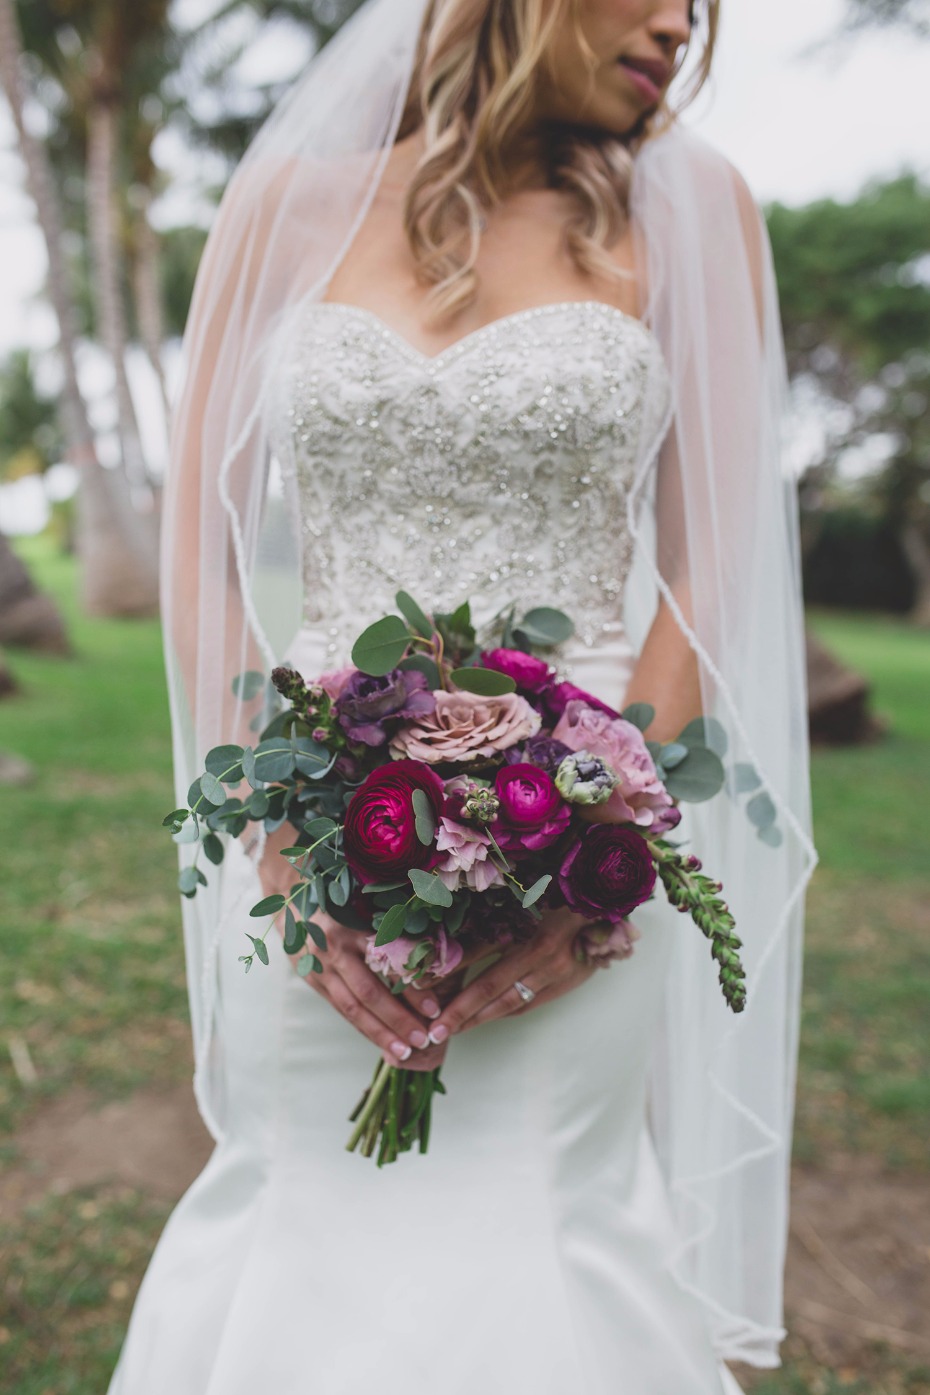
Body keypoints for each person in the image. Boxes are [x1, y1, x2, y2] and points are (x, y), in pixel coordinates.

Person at [108, 1, 817, 1392]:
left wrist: (605, 858)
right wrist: (278, 832)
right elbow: (202, 541)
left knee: (539, 1220)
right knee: (300, 1200)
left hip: (589, 812)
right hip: (312, 825)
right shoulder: (283, 206)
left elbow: (704, 576)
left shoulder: (694, 212)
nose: (680, 23)